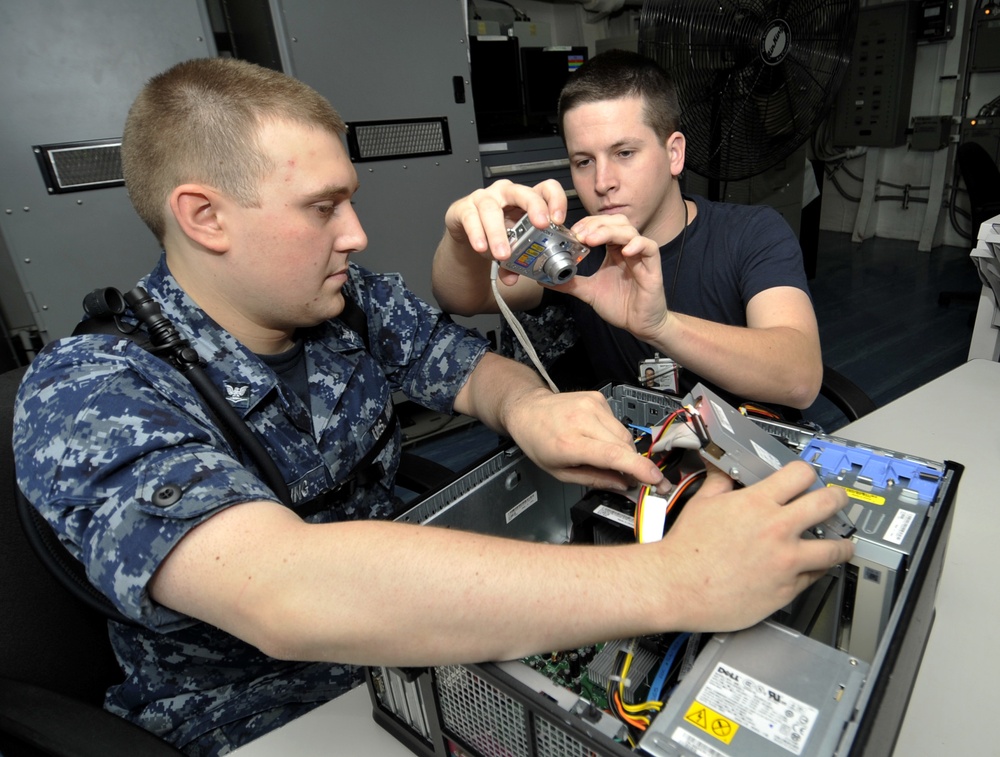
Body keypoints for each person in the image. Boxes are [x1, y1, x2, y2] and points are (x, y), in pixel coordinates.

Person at [12, 57, 852, 755]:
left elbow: (475, 370)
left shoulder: (350, 305)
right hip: (264, 715)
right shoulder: (92, 389)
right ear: (204, 216)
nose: (357, 234)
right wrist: (678, 579)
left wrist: (529, 409)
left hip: (429, 658)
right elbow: (285, 591)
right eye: (323, 208)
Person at [432, 49, 823, 412]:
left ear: (674, 154)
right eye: (584, 161)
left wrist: (662, 327)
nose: (602, 182)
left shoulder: (750, 233)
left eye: (624, 153)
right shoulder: (577, 252)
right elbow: (461, 298)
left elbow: (799, 378)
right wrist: (461, 237)